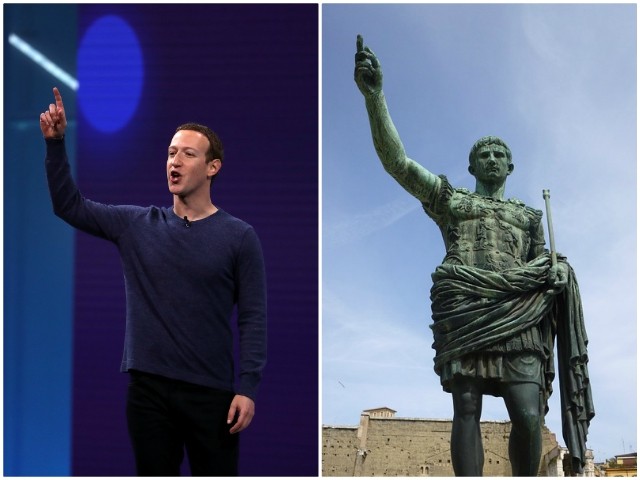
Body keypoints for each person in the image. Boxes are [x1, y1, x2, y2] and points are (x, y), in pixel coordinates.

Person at [354, 35, 593, 476]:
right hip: (466, 314)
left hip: (520, 320)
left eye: (499, 153)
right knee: (466, 408)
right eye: (483, 153)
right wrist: (375, 98)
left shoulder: (528, 216)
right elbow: (400, 164)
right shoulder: (454, 201)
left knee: (527, 414)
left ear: (510, 166)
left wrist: (559, 274)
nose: (492, 158)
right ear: (471, 166)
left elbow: (544, 266)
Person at [40, 87, 267, 476]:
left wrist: (247, 388)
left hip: (211, 396)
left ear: (213, 167)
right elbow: (69, 205)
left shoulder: (239, 236)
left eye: (187, 154)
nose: (174, 162)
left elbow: (253, 318)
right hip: (148, 394)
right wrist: (57, 143)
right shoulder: (136, 224)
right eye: (170, 153)